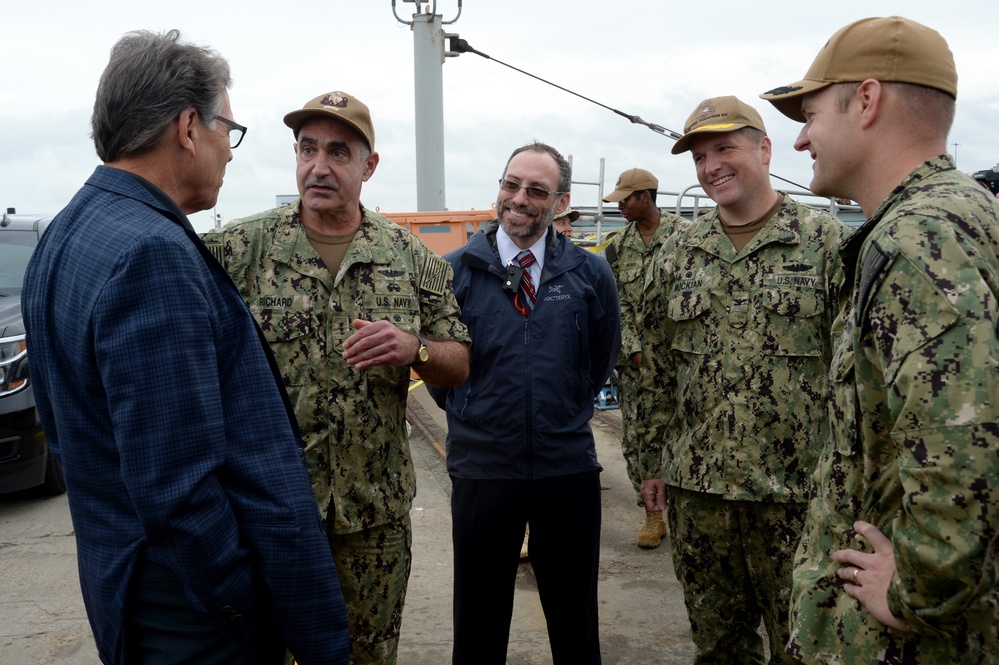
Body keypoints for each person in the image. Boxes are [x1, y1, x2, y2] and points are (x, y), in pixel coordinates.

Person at [21, 30, 349, 665]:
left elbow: (68, 429)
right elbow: (177, 489)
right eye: (230, 128)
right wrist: (241, 604)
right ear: (189, 127)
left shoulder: (68, 231)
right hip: (190, 614)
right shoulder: (151, 254)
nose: (230, 152)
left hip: (128, 578)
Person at [202, 90, 471, 665]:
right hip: (271, 511)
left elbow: (460, 359)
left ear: (369, 166)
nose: (318, 167)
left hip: (372, 514)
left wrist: (414, 348)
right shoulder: (238, 250)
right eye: (307, 149)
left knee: (369, 653)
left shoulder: (409, 256)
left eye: (338, 152)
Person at [760, 16, 999, 663]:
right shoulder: (965, 210)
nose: (802, 137)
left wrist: (916, 591)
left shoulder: (917, 237)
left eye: (808, 114)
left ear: (865, 101)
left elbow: (964, 443)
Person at [638, 96, 849, 663]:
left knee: (804, 647)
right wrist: (651, 464)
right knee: (718, 649)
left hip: (799, 498)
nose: (711, 167)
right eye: (700, 157)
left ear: (764, 148)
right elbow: (652, 368)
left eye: (724, 148)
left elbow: (855, 378)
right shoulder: (677, 251)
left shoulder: (825, 241)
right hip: (699, 494)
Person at [430, 141, 620, 664]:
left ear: (559, 202)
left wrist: (560, 413)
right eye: (511, 184)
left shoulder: (589, 273)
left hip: (566, 467)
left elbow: (599, 360)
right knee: (478, 621)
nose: (520, 198)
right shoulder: (454, 273)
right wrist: (476, 415)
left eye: (537, 190)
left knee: (575, 620)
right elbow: (440, 374)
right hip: (483, 469)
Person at [602, 167, 686, 549]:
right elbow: (614, 304)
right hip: (637, 364)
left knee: (684, 436)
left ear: (645, 198)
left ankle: (687, 513)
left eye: (625, 199)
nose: (619, 205)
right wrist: (632, 348)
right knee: (638, 439)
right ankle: (653, 516)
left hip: (682, 361)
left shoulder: (687, 239)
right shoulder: (617, 248)